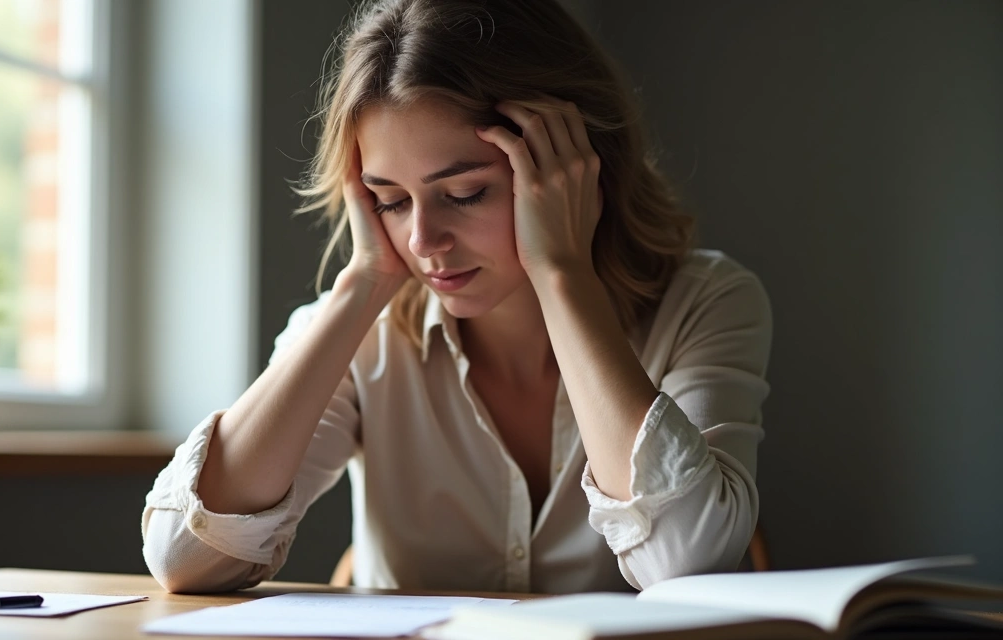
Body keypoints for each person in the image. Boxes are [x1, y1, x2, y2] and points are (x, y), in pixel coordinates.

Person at [142, 0, 771, 595]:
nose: (423, 240)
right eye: (389, 199)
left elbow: (686, 562)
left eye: (466, 192)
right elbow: (184, 558)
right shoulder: (363, 334)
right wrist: (363, 281)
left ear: (575, 167)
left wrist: (560, 272)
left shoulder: (706, 302)